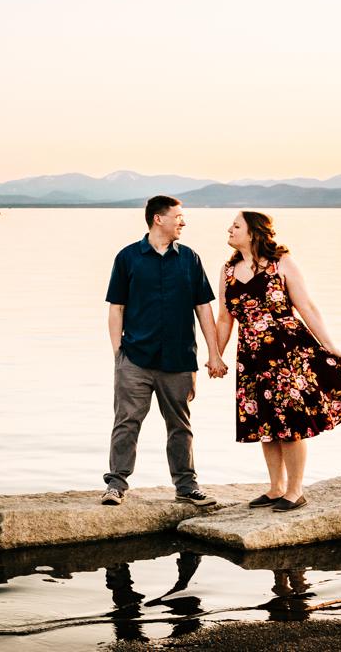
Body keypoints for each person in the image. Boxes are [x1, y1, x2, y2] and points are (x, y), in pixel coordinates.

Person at [209, 211, 341, 511]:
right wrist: (216, 355)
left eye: (236, 225)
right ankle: (275, 487)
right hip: (251, 356)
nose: (229, 229)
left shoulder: (282, 262)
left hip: (286, 352)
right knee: (264, 424)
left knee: (290, 423)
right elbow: (224, 318)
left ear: (253, 232)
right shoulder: (228, 270)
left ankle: (295, 490)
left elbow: (305, 305)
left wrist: (329, 345)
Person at [102, 195, 227, 507]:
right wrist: (119, 354)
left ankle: (186, 486)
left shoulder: (190, 259)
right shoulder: (128, 257)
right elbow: (116, 308)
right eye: (178, 216)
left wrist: (213, 354)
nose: (182, 221)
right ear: (158, 218)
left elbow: (203, 308)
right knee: (127, 421)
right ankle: (116, 485)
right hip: (135, 359)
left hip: (179, 359)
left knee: (180, 426)